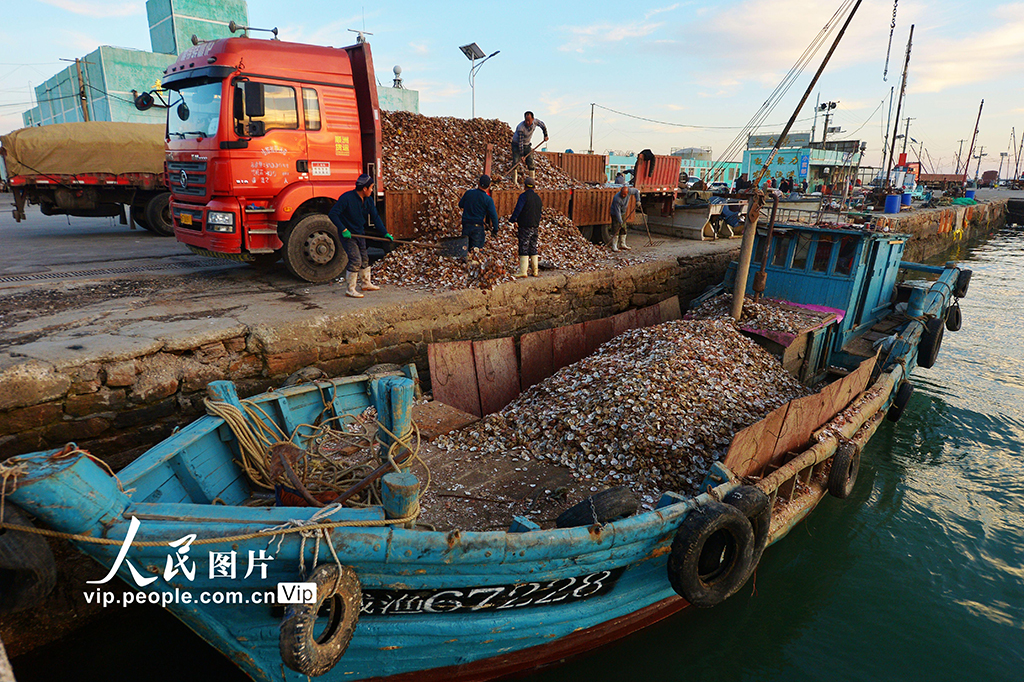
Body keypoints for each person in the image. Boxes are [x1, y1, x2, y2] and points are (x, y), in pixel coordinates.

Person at [327, 174, 393, 298]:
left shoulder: (368, 200)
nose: (372, 190)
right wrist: (343, 229)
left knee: (364, 258)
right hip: (348, 235)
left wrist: (385, 233)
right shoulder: (346, 198)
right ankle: (350, 289)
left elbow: (375, 218)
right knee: (355, 260)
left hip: (360, 233)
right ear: (364, 189)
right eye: (371, 188)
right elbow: (333, 214)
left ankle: (366, 283)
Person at [510, 176, 543, 277]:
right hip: (535, 226)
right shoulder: (538, 198)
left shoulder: (523, 197)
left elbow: (518, 209)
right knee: (533, 246)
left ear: (525, 186)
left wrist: (512, 220)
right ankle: (535, 271)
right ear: (534, 187)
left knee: (524, 246)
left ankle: (523, 271)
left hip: (525, 226)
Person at [458, 175, 500, 250]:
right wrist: (495, 229)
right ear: (489, 186)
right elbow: (493, 216)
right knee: (476, 251)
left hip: (466, 226)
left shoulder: (468, 193)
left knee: (464, 250)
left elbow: (460, 205)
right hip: (477, 228)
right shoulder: (488, 199)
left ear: (478, 183)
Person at [510, 111, 548, 181]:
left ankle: (532, 179)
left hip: (527, 144)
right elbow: (520, 142)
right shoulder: (521, 127)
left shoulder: (536, 122)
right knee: (516, 161)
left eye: (529, 120)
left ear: (532, 119)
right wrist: (522, 155)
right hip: (516, 144)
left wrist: (545, 135)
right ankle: (514, 180)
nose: (527, 122)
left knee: (530, 161)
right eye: (526, 120)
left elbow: (543, 125)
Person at [609, 185, 632, 252]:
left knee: (623, 228)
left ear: (627, 193)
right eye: (622, 194)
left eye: (625, 194)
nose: (623, 195)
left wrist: (638, 200)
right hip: (615, 214)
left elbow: (636, 191)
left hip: (622, 213)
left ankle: (622, 244)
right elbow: (617, 212)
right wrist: (620, 221)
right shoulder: (617, 198)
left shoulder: (630, 192)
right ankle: (614, 246)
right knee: (616, 229)